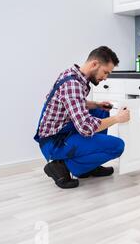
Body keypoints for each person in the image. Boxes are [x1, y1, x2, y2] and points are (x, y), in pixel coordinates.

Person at [34, 46, 130, 189]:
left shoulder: (74, 75)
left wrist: (96, 105)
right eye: (105, 72)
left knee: (101, 112)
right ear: (94, 64)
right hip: (54, 142)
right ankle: (60, 166)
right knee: (117, 146)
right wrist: (117, 118)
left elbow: (72, 103)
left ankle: (90, 166)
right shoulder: (72, 84)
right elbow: (85, 128)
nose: (105, 78)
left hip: (61, 132)